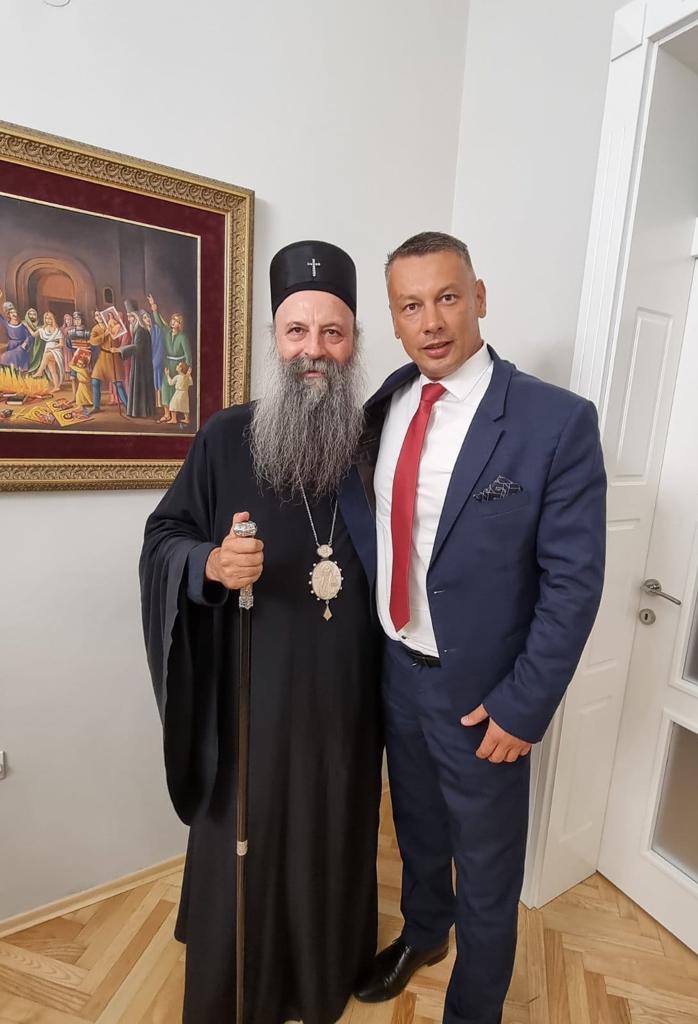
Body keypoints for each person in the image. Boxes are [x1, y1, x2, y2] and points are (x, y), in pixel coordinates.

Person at [350, 232, 607, 1024]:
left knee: (489, 873)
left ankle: (473, 1012)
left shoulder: (554, 421)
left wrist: (523, 707)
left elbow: (574, 582)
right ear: (394, 319)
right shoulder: (385, 405)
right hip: (397, 671)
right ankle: (425, 933)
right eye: (410, 306)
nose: (431, 322)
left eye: (447, 298)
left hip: (485, 699)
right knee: (418, 830)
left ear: (480, 297)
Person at [140, 240, 382, 1024]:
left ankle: (324, 975)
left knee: (334, 826)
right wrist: (211, 563)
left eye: (332, 332)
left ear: (353, 341)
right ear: (274, 340)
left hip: (349, 696)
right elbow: (164, 538)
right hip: (253, 692)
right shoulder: (226, 436)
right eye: (297, 331)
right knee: (248, 825)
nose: (315, 350)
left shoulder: (376, 443)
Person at [147, 293, 193, 422]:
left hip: (179, 366)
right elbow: (158, 321)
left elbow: (188, 354)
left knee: (176, 390)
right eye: (172, 320)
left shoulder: (183, 337)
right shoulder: (166, 332)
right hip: (167, 364)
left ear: (180, 324)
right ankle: (167, 414)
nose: (173, 322)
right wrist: (153, 307)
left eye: (176, 321)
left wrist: (188, 369)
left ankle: (175, 416)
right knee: (165, 388)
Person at [117, 301, 156, 418]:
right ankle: (138, 411)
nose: (129, 319)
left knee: (141, 386)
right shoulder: (137, 329)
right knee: (137, 386)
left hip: (142, 365)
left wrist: (121, 350)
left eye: (131, 316)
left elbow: (137, 347)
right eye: (128, 316)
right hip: (139, 362)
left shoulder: (140, 331)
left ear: (136, 317)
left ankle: (141, 412)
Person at [30, 311, 65, 389]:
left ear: (53, 319)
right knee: (53, 371)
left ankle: (39, 372)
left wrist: (52, 348)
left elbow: (62, 344)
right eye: (46, 318)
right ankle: (56, 387)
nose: (48, 320)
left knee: (46, 355)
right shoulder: (42, 329)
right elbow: (33, 334)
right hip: (47, 349)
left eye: (50, 318)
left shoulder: (57, 330)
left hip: (56, 351)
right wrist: (26, 326)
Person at [0, 291, 32, 370]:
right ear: (9, 315)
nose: (14, 314)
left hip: (21, 347)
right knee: (8, 364)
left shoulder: (22, 324)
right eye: (11, 313)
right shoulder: (6, 323)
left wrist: (23, 345)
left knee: (18, 365)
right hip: (12, 346)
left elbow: (29, 336)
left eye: (15, 312)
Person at [165, 359, 193, 424]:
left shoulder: (177, 377)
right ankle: (186, 419)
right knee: (185, 406)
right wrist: (189, 375)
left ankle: (174, 419)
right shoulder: (186, 377)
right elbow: (191, 383)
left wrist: (167, 375)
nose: (177, 366)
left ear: (181, 369)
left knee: (172, 404)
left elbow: (171, 383)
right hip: (185, 393)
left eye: (178, 365)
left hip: (178, 393)